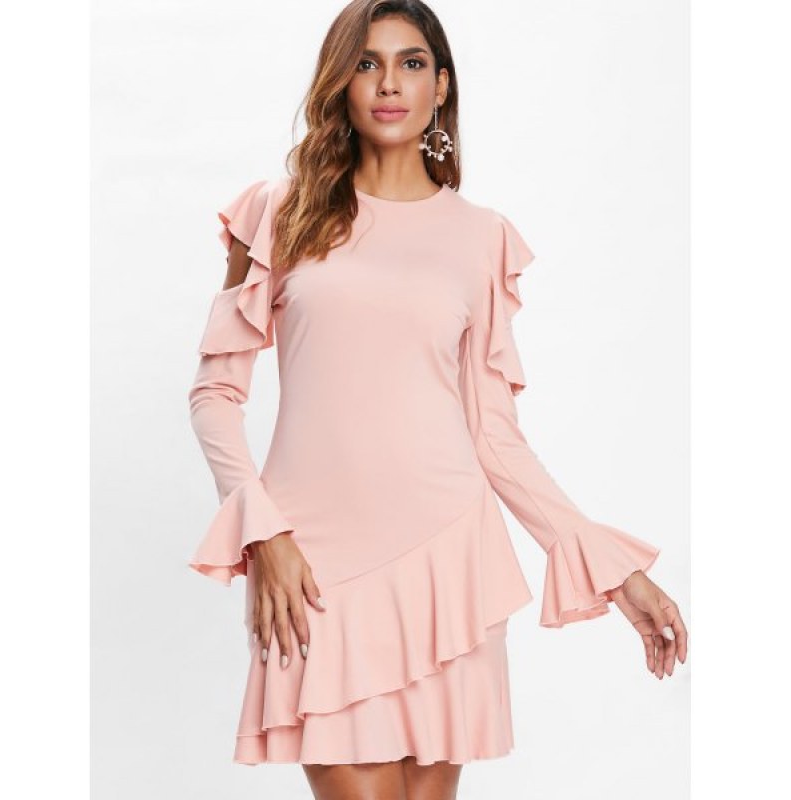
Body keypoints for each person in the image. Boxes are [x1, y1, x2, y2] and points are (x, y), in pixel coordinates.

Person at [187, 1, 688, 797]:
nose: (389, 83)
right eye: (367, 62)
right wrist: (262, 531)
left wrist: (614, 572)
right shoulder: (279, 212)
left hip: (444, 560)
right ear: (341, 82)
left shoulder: (480, 236)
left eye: (412, 63)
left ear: (441, 86)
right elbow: (215, 393)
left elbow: (494, 436)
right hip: (313, 564)